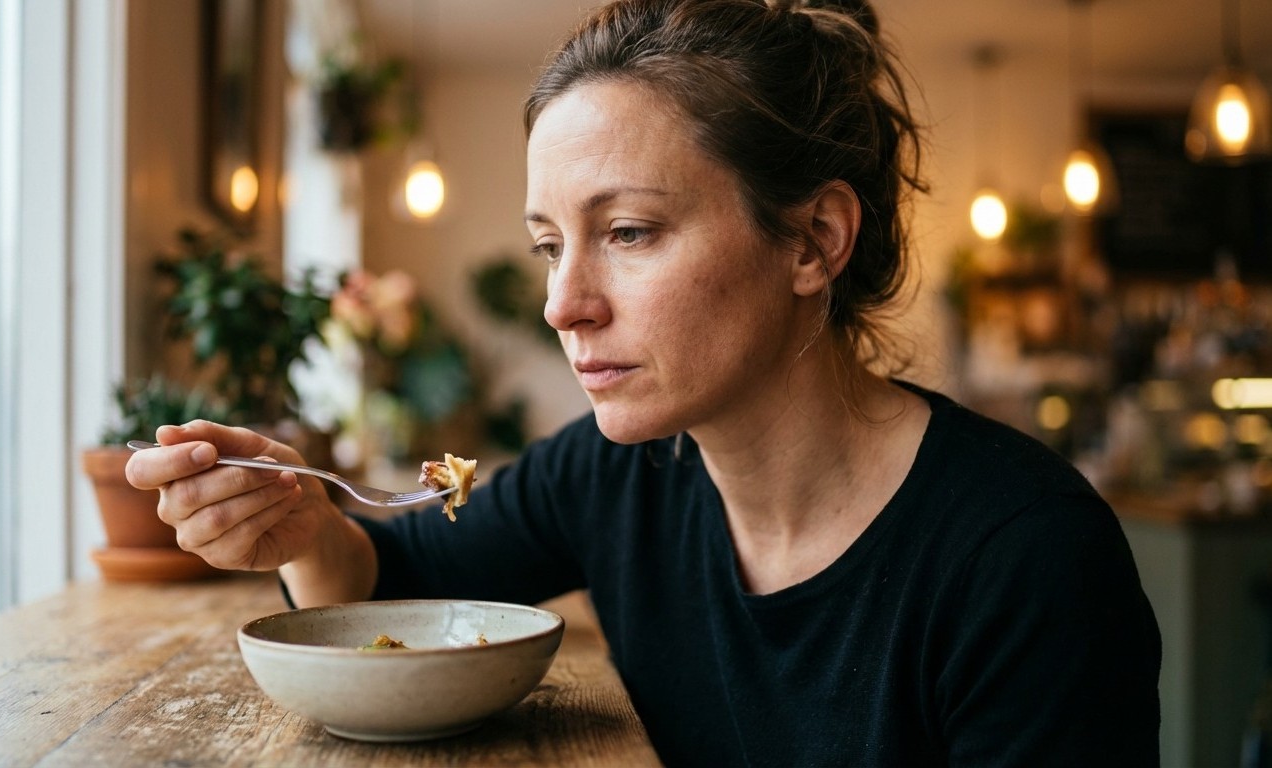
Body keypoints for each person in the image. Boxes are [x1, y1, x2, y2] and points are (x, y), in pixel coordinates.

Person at [127, 0, 1161, 764]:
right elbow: (387, 581)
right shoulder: (616, 474)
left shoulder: (1025, 559)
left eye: (627, 232)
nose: (562, 304)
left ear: (814, 240)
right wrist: (303, 525)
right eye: (549, 246)